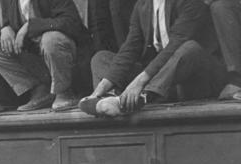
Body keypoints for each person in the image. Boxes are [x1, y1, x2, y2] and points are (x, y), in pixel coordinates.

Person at [84, 0, 226, 115]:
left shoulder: (190, 2)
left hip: (194, 77)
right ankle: (108, 99)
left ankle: (142, 98)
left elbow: (174, 46)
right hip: (161, 78)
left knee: (190, 48)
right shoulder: (143, 5)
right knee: (101, 57)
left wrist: (138, 83)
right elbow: (130, 49)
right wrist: (101, 88)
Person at [0, 0, 86, 112]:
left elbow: (71, 22)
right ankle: (40, 91)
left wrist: (31, 26)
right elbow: (9, 21)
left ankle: (64, 92)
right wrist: (5, 28)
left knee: (51, 39)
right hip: (38, 61)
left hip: (69, 62)